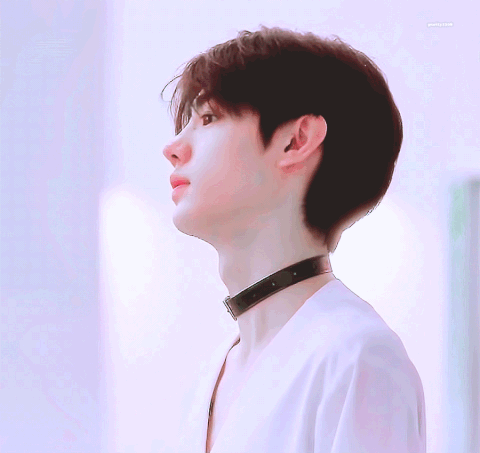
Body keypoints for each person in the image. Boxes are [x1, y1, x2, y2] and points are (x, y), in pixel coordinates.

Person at [161, 25, 426, 453]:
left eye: (208, 118)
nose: (173, 147)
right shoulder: (213, 372)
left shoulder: (356, 357)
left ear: (296, 141)